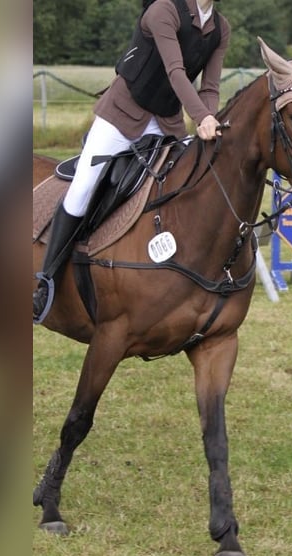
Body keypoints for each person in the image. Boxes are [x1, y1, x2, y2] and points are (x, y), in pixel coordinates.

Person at [33, 0, 230, 323]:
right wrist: (201, 116)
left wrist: (211, 117)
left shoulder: (220, 28)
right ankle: (45, 282)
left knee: (191, 184)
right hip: (122, 115)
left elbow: (210, 87)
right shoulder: (163, 10)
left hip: (166, 121)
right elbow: (175, 71)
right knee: (83, 187)